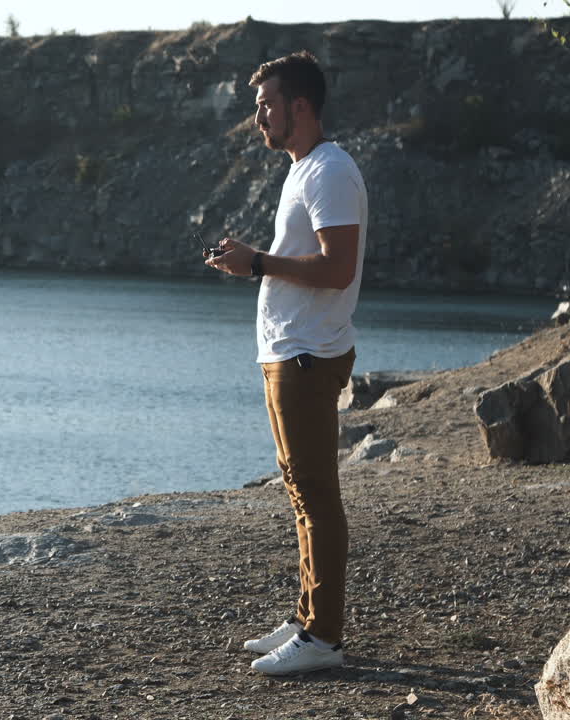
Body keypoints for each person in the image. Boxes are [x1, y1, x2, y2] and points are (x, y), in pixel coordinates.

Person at [205, 51, 368, 676]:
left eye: (267, 105)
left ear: (301, 105)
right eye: (257, 108)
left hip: (307, 354)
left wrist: (259, 263)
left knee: (317, 497)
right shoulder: (302, 170)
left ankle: (324, 637)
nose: (259, 118)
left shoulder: (329, 171)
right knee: (301, 491)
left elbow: (337, 269)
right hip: (287, 350)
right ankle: (308, 617)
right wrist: (250, 261)